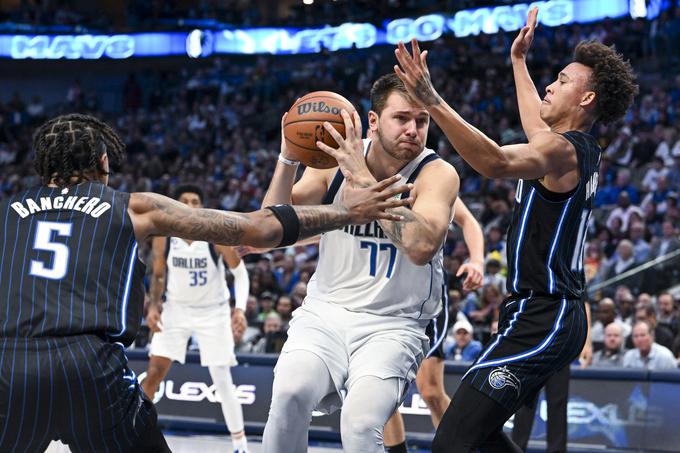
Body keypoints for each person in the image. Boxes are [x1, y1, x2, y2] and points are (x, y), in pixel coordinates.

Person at [0, 113, 412, 452]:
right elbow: (258, 228)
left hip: (8, 364)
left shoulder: (6, 212)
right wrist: (346, 213)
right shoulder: (134, 207)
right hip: (89, 365)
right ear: (104, 162)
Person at [393, 6, 638, 451]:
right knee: (479, 435)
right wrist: (518, 62)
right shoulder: (564, 146)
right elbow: (535, 123)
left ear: (586, 99)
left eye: (563, 80)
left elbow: (496, 162)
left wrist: (432, 101)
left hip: (546, 314)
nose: (551, 84)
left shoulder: (566, 152)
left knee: (451, 442)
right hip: (533, 312)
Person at [261, 73, 460, 452]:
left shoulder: (436, 174)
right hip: (326, 313)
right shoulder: (332, 163)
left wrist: (360, 174)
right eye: (401, 118)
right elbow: (272, 224)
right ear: (373, 121)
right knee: (289, 394)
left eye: (422, 121)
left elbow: (420, 247)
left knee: (361, 422)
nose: (414, 130)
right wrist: (288, 156)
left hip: (395, 324)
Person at [139, 184, 251, 453]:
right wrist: (154, 306)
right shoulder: (163, 236)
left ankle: (240, 445)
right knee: (154, 372)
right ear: (175, 206)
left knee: (222, 377)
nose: (190, 205)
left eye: (195, 200)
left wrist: (240, 309)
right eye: (184, 201)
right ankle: (134, 435)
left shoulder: (215, 234)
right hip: (176, 309)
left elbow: (241, 272)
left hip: (213, 310)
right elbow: (157, 275)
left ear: (202, 206)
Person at [383, 198, 485, 453]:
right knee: (381, 394)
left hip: (425, 300)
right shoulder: (368, 177)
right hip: (381, 296)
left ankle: (462, 447)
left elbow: (467, 220)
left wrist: (477, 261)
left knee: (430, 391)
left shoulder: (431, 173)